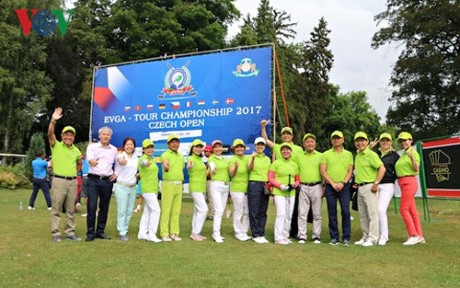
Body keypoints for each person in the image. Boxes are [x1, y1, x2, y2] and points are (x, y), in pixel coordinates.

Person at [260, 120, 303, 238]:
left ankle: (289, 233)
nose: (286, 136)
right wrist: (263, 127)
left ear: (292, 136)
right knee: (281, 213)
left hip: (293, 183)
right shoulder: (278, 147)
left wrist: (297, 183)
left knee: (291, 213)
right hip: (280, 185)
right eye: (284, 134)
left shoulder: (298, 149)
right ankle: (279, 236)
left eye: (288, 134)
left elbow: (301, 165)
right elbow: (266, 139)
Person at [47, 107, 82, 242]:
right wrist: (53, 121)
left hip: (72, 181)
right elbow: (50, 134)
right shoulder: (56, 145)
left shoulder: (77, 150)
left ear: (73, 137)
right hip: (59, 181)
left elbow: (79, 163)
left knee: (70, 209)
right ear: (62, 136)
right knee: (56, 207)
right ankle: (56, 232)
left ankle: (70, 232)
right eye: (66, 135)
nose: (69, 137)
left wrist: (75, 173)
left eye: (71, 135)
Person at [320, 130, 354, 246]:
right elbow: (323, 171)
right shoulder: (326, 154)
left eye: (338, 138)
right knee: (332, 212)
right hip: (330, 186)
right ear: (331, 140)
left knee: (345, 211)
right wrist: (333, 183)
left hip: (344, 186)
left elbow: (350, 171)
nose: (336, 140)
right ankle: (334, 237)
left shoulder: (349, 154)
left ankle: (346, 237)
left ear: (343, 139)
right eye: (334, 138)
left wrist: (343, 183)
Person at [353, 132, 386, 247]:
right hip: (360, 187)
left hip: (370, 186)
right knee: (363, 214)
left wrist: (376, 183)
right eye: (357, 141)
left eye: (362, 140)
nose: (360, 143)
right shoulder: (358, 155)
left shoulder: (371, 154)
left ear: (367, 142)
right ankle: (365, 236)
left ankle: (373, 238)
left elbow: (382, 168)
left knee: (372, 214)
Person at [85, 126, 118, 242]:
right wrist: (91, 161)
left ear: (110, 137)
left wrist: (116, 173)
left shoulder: (114, 149)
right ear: (99, 136)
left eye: (108, 134)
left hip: (107, 181)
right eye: (103, 134)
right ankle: (90, 233)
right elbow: (90, 159)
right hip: (93, 180)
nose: (105, 136)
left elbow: (117, 163)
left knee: (104, 207)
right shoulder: (92, 147)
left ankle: (100, 231)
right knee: (92, 206)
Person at [370, 132, 400, 245]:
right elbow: (362, 155)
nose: (385, 142)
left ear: (391, 142)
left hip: (387, 185)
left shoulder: (395, 155)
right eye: (383, 140)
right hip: (375, 184)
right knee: (374, 210)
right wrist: (370, 147)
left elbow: (398, 170)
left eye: (387, 140)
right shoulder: (375, 153)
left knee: (381, 209)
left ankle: (384, 236)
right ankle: (375, 234)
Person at [395, 132, 425, 245]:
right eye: (402, 141)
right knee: (412, 211)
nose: (404, 142)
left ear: (411, 140)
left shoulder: (413, 153)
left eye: (406, 140)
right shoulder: (403, 154)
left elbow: (416, 169)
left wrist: (412, 157)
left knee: (403, 209)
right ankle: (420, 236)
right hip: (403, 183)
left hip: (409, 182)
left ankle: (413, 235)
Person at [268, 142, 300, 245]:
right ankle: (278, 237)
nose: (285, 151)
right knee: (281, 214)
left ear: (291, 152)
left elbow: (298, 180)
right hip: (279, 192)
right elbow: (270, 177)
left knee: (289, 215)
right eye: (283, 150)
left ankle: (285, 236)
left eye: (288, 150)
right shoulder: (276, 163)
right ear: (281, 152)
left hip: (291, 192)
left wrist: (294, 185)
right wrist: (280, 186)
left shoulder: (294, 164)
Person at [295, 133, 323, 244]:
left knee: (317, 213)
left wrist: (324, 187)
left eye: (312, 141)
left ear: (315, 143)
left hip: (317, 186)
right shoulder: (299, 156)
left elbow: (323, 171)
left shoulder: (321, 156)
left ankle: (316, 236)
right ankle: (302, 235)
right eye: (307, 142)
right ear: (304, 144)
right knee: (302, 213)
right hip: (303, 186)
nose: (310, 143)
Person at [160, 134, 185, 242]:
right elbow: (165, 163)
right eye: (172, 142)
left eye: (176, 142)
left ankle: (174, 233)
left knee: (176, 210)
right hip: (168, 184)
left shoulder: (181, 156)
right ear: (168, 144)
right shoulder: (165, 154)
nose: (175, 144)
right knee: (166, 210)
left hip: (179, 184)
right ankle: (164, 233)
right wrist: (165, 166)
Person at [247, 137, 271, 244]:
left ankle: (261, 233)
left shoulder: (267, 159)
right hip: (254, 183)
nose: (260, 147)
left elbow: (269, 173)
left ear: (264, 146)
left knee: (263, 211)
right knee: (254, 210)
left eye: (262, 145)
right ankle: (255, 234)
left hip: (265, 184)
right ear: (255, 146)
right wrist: (252, 158)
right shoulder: (251, 156)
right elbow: (250, 168)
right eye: (258, 145)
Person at [114, 137, 138, 241]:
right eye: (127, 144)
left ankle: (125, 228)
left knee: (129, 211)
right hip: (122, 186)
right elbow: (120, 161)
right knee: (122, 211)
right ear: (124, 146)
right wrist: (122, 161)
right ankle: (121, 232)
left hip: (132, 187)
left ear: (134, 146)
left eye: (131, 144)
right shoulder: (121, 155)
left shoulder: (136, 158)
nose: (129, 146)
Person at [137, 139, 162, 242]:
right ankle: (151, 234)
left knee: (148, 211)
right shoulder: (143, 158)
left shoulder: (152, 159)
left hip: (153, 189)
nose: (150, 149)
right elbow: (143, 163)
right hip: (147, 189)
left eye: (151, 147)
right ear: (143, 149)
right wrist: (145, 163)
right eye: (147, 148)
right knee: (156, 210)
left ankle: (142, 233)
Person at [228, 139, 251, 241]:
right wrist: (236, 167)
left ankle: (244, 231)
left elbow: (251, 169)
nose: (239, 149)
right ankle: (238, 232)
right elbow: (231, 174)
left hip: (247, 189)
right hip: (237, 189)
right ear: (234, 149)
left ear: (244, 148)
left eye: (241, 147)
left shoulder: (247, 158)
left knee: (247, 211)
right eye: (237, 147)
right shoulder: (232, 159)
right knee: (239, 211)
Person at [208, 139, 230, 243]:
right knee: (218, 210)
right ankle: (215, 233)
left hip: (225, 187)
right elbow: (212, 166)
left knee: (221, 210)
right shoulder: (211, 158)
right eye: (215, 147)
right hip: (216, 185)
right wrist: (213, 169)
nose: (218, 149)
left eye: (219, 146)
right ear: (213, 149)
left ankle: (217, 233)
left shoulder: (224, 159)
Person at [186, 139, 208, 241]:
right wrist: (188, 167)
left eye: (200, 147)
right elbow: (188, 166)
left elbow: (203, 173)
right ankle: (196, 232)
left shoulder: (200, 159)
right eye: (196, 147)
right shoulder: (191, 158)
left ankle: (194, 232)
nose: (198, 149)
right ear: (192, 148)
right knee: (204, 209)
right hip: (195, 187)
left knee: (197, 210)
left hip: (201, 187)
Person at [204, 145, 214, 220]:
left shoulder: (211, 159)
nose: (204, 153)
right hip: (209, 180)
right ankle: (211, 214)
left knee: (211, 198)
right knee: (209, 198)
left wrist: (203, 176)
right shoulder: (210, 159)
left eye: (206, 151)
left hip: (211, 181)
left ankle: (212, 215)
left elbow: (209, 171)